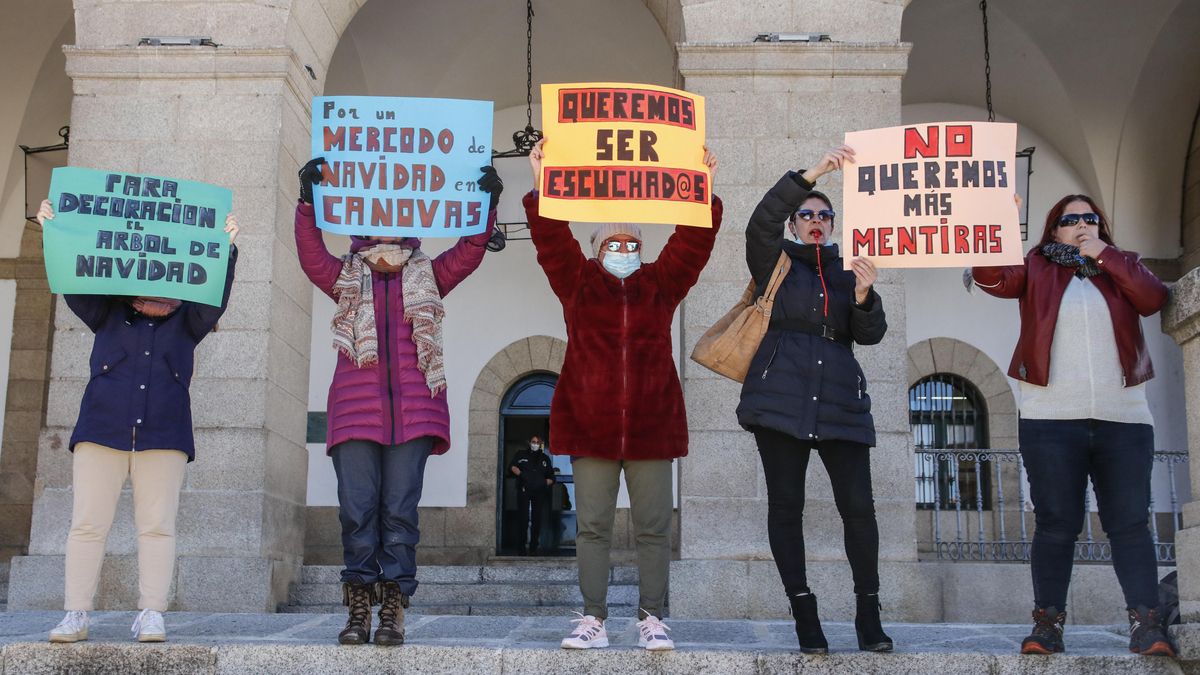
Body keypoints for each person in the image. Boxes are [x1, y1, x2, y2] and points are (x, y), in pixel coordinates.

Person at [524, 138, 721, 652]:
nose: (622, 250)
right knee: (593, 528)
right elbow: (550, 240)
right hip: (591, 426)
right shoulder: (577, 284)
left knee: (654, 529)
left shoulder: (662, 284)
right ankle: (593, 618)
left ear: (642, 248)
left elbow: (693, 244)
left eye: (630, 242)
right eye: (612, 243)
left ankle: (651, 619)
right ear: (595, 251)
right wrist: (543, 182)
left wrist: (703, 192)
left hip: (652, 428)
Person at [295, 159, 502, 646]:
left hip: (414, 415)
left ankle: (393, 606)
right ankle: (359, 605)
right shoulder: (343, 279)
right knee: (357, 510)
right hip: (354, 416)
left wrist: (486, 204)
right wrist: (307, 201)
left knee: (400, 512)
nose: (385, 236)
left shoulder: (429, 276)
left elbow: (470, 251)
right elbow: (309, 254)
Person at [972, 194, 1174, 657]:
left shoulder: (1123, 266)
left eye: (1090, 218)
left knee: (1129, 524)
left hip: (1123, 418)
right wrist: (999, 222)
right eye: (1070, 219)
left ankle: (1146, 625)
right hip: (1050, 417)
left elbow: (1153, 299)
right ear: (1053, 230)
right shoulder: (1035, 266)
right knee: (1056, 524)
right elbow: (990, 278)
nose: (1081, 224)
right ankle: (1047, 626)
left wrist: (1102, 253)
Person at [37, 199, 240, 644]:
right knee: (87, 524)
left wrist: (224, 249)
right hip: (101, 427)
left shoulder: (190, 316)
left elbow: (216, 299)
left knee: (158, 525)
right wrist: (54, 228)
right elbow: (72, 277)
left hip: (164, 431)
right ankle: (75, 614)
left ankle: (152, 613)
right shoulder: (106, 308)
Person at [735, 147, 893, 654]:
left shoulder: (852, 269)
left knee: (859, 510)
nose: (817, 221)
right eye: (808, 215)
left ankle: (869, 615)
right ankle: (805, 614)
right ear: (796, 223)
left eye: (825, 215)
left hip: (841, 402)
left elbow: (869, 336)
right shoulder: (776, 262)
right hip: (778, 401)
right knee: (786, 508)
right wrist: (815, 175)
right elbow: (760, 222)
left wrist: (866, 299)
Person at [509, 435, 555, 555]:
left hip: (539, 492)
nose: (535, 444)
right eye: (533, 442)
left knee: (536, 519)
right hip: (524, 490)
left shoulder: (545, 458)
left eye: (537, 442)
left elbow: (552, 477)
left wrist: (543, 482)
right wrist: (522, 475)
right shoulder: (521, 454)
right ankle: (521, 548)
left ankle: (534, 547)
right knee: (523, 518)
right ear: (530, 443)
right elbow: (512, 467)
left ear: (541, 444)